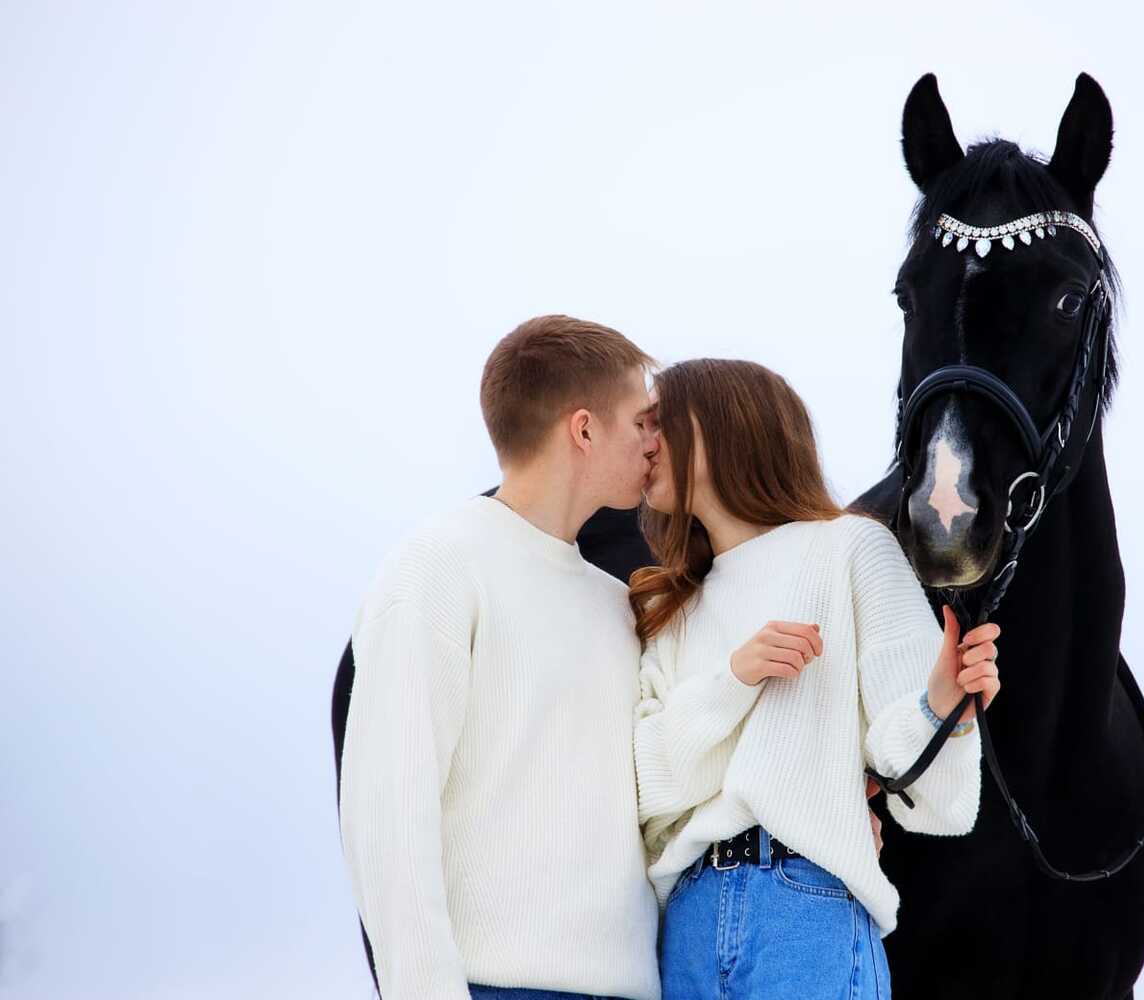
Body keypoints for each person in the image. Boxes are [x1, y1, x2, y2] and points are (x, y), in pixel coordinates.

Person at [630, 359, 1002, 999]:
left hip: (804, 909)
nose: (646, 442)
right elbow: (648, 788)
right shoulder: (670, 606)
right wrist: (735, 678)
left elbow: (938, 802)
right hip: (686, 924)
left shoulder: (851, 548)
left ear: (725, 424)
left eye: (661, 421)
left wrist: (943, 707)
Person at [338, 315, 664, 1000]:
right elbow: (388, 816)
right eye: (642, 421)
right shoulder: (438, 567)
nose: (655, 442)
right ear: (584, 430)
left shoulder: (616, 604)